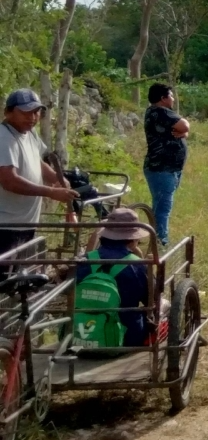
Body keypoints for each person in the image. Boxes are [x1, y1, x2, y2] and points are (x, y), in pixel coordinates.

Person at [1, 89, 78, 259]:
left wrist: (58, 179)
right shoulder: (3, 138)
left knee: (20, 277)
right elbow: (9, 181)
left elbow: (38, 162)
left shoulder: (30, 133)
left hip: (25, 222)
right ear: (8, 112)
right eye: (26, 112)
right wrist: (51, 192)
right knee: (5, 279)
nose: (32, 117)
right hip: (6, 226)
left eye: (36, 112)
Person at [74, 207, 152, 347]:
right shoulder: (137, 265)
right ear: (132, 240)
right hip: (127, 337)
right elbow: (150, 300)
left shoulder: (84, 260)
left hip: (78, 335)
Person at [143, 84, 189, 247]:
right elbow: (185, 125)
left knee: (160, 206)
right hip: (161, 169)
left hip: (168, 169)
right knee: (163, 208)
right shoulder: (160, 112)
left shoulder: (159, 113)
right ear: (162, 98)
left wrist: (184, 133)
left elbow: (182, 130)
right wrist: (185, 130)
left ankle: (156, 240)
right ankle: (160, 244)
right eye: (170, 95)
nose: (173, 98)